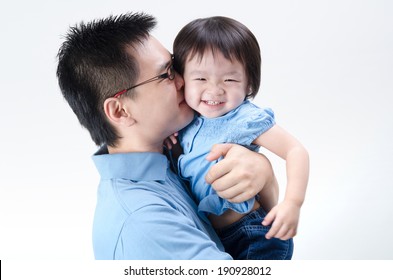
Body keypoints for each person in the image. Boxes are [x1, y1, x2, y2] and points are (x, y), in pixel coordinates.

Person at [56, 12, 279, 260]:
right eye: (167, 74)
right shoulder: (146, 223)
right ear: (120, 110)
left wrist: (264, 174)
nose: (185, 80)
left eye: (175, 65)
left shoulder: (171, 156)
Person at [172, 16, 309, 259]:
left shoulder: (244, 118)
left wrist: (293, 203)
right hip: (212, 237)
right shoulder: (184, 119)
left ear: (249, 84)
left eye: (230, 79)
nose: (214, 90)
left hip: (252, 234)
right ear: (182, 80)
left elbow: (295, 151)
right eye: (201, 78)